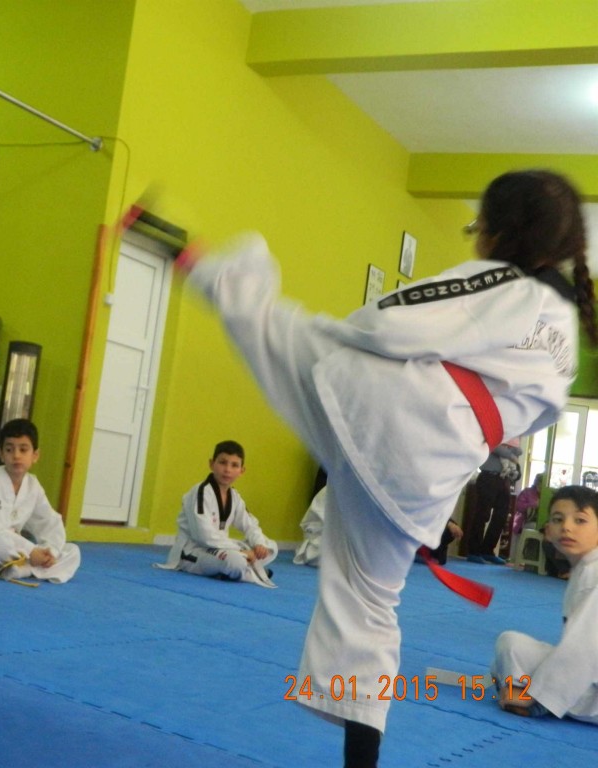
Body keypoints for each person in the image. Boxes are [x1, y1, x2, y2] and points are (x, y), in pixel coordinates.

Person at [174, 169, 593, 767]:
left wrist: (341, 334)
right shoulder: (566, 338)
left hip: (388, 409)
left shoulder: (507, 284)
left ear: (500, 232)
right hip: (435, 471)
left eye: (479, 226)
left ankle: (217, 272)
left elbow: (392, 321)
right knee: (369, 606)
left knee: (285, 332)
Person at [490, 485, 598, 724]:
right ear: (547, 531)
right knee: (511, 645)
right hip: (588, 676)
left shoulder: (593, 574)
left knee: (510, 649)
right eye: (558, 519)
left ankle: (534, 700)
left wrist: (536, 698)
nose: (567, 527)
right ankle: (524, 692)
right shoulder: (586, 568)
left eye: (580, 520)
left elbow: (584, 648)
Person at [0, 418, 81, 584]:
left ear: (35, 455)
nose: (16, 455)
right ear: (1, 454)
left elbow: (49, 522)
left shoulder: (33, 487)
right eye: (9, 449)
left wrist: (50, 552)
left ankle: (19, 569)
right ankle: (26, 568)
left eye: (23, 449)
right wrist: (30, 550)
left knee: (73, 551)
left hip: (18, 549)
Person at [157, 440, 277, 586]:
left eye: (234, 465)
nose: (227, 469)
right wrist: (241, 551)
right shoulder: (201, 492)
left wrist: (259, 545)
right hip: (193, 551)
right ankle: (248, 572)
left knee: (271, 547)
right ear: (212, 464)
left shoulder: (235, 496)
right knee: (235, 561)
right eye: (222, 463)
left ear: (241, 471)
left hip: (220, 549)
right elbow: (203, 536)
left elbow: (250, 525)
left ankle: (238, 567)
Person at [465, 442, 521, 564]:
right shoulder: (495, 435)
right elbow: (494, 446)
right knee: (482, 514)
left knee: (501, 516)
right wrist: (510, 454)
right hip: (488, 476)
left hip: (504, 479)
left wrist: (511, 451)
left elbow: (519, 451)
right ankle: (473, 551)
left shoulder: (512, 438)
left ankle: (487, 550)